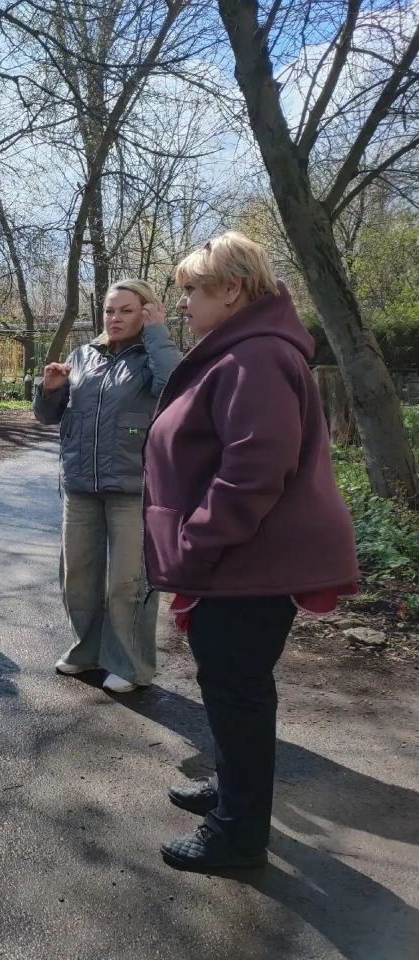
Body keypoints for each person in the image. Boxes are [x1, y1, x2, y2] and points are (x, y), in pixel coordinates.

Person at [145, 231, 358, 872]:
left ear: (232, 289)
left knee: (237, 689)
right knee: (230, 685)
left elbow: (254, 471)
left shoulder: (256, 355)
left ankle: (237, 836)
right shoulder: (244, 349)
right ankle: (231, 785)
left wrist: (195, 542)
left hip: (246, 561)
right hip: (241, 558)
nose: (183, 303)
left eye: (192, 290)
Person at [33, 279, 182, 693]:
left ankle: (130, 665)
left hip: (133, 487)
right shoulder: (83, 356)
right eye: (110, 310)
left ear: (147, 312)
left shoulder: (154, 357)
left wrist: (157, 333)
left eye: (127, 310)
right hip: (81, 484)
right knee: (78, 576)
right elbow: (48, 415)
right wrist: (49, 390)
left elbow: (176, 389)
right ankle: (86, 650)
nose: (115, 318)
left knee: (127, 581)